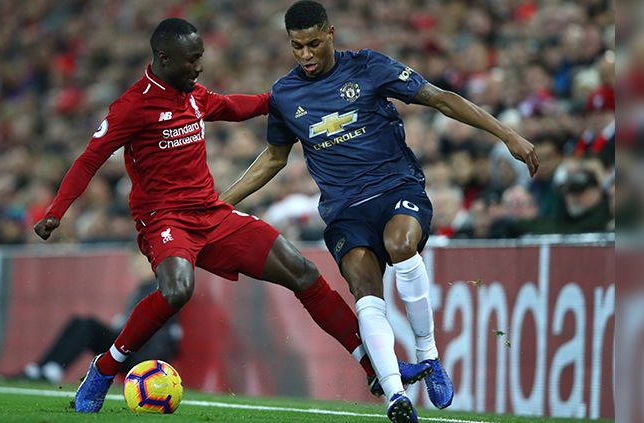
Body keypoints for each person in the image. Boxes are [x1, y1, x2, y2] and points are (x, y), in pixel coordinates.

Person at [33, 18, 429, 414]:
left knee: (303, 272)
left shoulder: (192, 95)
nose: (199, 67)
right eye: (192, 60)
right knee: (176, 290)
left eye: (200, 58)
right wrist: (56, 212)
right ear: (164, 58)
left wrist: (291, 97)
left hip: (212, 214)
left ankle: (372, 366)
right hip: (165, 221)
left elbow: (242, 106)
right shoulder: (132, 105)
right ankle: (104, 369)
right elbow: (89, 160)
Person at [220, 2, 539, 422]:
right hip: (344, 210)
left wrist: (508, 134)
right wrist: (218, 204)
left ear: (331, 34)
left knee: (401, 244)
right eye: (297, 46)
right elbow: (273, 159)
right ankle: (394, 395)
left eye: (314, 43)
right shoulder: (285, 94)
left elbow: (440, 99)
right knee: (362, 282)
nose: (306, 55)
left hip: (396, 188)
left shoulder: (369, 67)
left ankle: (429, 356)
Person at [12, 257, 181, 384]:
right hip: (129, 345)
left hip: (140, 353)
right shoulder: (142, 289)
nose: (136, 269)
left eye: (140, 264)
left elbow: (164, 329)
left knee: (88, 326)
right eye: (134, 265)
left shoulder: (160, 289)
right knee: (78, 321)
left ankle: (52, 369)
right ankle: (44, 366)